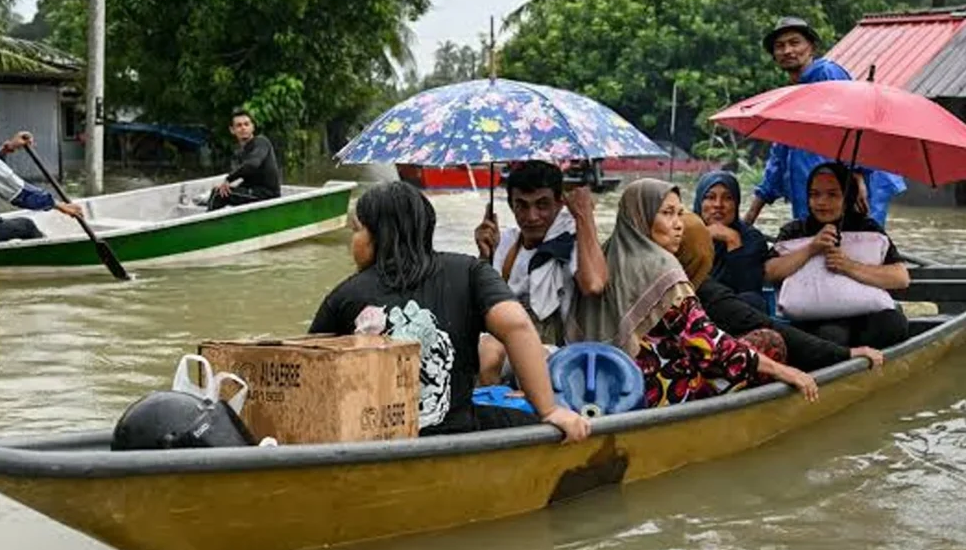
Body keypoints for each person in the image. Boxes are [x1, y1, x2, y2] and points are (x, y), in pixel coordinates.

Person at [309, 181, 591, 441]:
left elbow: (306, 370)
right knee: (528, 421)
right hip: (458, 428)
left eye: (357, 230)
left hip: (374, 437)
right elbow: (517, 326)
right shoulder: (470, 271)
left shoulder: (345, 295)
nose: (352, 242)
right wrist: (549, 411)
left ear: (378, 235)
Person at [568, 178, 819, 408]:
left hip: (596, 384)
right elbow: (710, 344)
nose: (678, 225)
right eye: (667, 214)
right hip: (654, 391)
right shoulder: (662, 267)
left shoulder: (605, 255)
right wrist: (785, 371)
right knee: (768, 342)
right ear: (641, 217)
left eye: (680, 214)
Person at [744, 16, 906, 227]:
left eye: (795, 43)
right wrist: (749, 217)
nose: (787, 51)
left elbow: (852, 123)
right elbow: (778, 158)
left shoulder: (826, 73)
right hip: (812, 196)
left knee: (858, 245)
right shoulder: (792, 95)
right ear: (774, 56)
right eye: (780, 46)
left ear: (811, 47)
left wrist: (857, 175)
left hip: (849, 190)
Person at [675, 210, 885, 372]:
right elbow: (750, 320)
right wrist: (786, 372)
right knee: (770, 340)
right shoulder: (696, 289)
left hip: (739, 314)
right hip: (680, 369)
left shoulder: (749, 240)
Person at [474, 160, 607, 383]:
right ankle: (486, 411)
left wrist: (584, 216)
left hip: (557, 349)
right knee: (482, 352)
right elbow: (483, 305)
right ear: (511, 205)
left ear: (559, 203)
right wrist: (484, 257)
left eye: (542, 205)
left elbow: (594, 283)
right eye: (522, 206)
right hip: (506, 340)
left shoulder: (572, 241)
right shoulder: (506, 242)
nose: (532, 216)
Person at [764, 162, 910, 349]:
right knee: (831, 336)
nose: (821, 202)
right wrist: (811, 248)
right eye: (814, 194)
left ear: (848, 197)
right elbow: (768, 272)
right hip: (814, 317)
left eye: (832, 195)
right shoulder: (795, 231)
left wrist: (848, 266)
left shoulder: (867, 229)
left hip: (864, 316)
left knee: (894, 324)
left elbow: (901, 278)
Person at [0, 99, 83, 247]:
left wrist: (7, 148)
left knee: (3, 221)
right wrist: (60, 206)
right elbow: (19, 192)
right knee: (27, 226)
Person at [694, 171, 770, 310]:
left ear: (736, 203)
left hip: (731, 314)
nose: (718, 204)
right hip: (693, 312)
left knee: (752, 300)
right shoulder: (684, 234)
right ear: (699, 202)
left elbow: (749, 289)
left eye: (728, 198)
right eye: (710, 197)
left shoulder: (751, 238)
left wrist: (733, 241)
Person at [207, 110, 282, 211]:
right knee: (219, 191)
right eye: (239, 125)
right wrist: (226, 187)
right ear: (232, 130)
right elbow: (247, 178)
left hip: (267, 194)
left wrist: (228, 179)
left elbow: (252, 164)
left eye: (246, 124)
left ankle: (207, 224)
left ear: (253, 127)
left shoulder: (261, 142)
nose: (243, 128)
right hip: (253, 191)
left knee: (218, 194)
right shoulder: (241, 152)